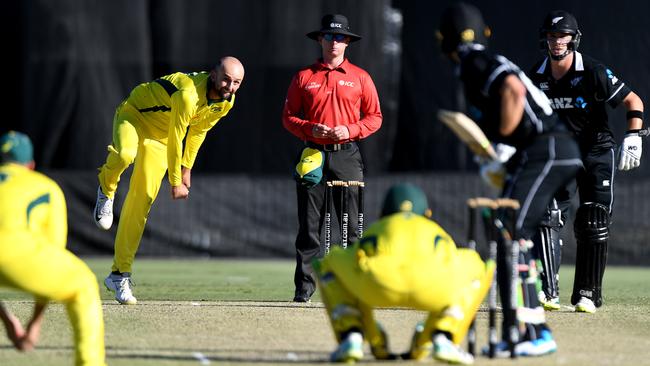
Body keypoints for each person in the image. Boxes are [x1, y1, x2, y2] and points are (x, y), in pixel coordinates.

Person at [437, 2, 583, 357]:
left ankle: (531, 332)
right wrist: (504, 154)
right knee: (512, 233)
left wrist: (501, 144)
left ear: (443, 40)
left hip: (547, 149)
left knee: (507, 229)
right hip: (544, 150)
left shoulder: (472, 61)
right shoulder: (480, 60)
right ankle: (528, 331)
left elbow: (514, 91)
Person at [93, 57, 245, 304]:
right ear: (214, 75)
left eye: (237, 82)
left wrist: (187, 170)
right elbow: (178, 136)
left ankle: (119, 274)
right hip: (134, 116)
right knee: (125, 154)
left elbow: (198, 131)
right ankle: (106, 187)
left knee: (141, 202)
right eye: (226, 79)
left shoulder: (226, 102)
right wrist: (175, 181)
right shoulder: (188, 94)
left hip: (159, 139)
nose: (230, 86)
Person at [529, 10, 645, 313]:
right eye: (552, 36)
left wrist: (635, 136)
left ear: (574, 39)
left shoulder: (591, 70)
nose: (557, 42)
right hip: (560, 154)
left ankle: (587, 293)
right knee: (547, 216)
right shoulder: (536, 76)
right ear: (545, 39)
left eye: (563, 36)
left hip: (596, 151)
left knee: (593, 219)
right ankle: (547, 291)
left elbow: (634, 101)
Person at [313, 183, 494, 364]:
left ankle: (352, 335)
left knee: (329, 262)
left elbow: (352, 258)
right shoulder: (435, 229)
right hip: (433, 287)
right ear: (427, 214)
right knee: (476, 266)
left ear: (383, 212)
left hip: (378, 284)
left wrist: (374, 337)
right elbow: (456, 261)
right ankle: (443, 335)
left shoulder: (378, 227)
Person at [282, 14, 382, 302]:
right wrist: (310, 127)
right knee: (309, 227)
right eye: (329, 37)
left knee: (351, 227)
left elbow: (375, 117)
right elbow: (288, 118)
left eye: (340, 37)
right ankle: (304, 290)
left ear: (347, 42)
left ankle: (354, 288)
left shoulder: (360, 77)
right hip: (313, 154)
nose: (334, 42)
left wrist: (349, 129)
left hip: (347, 154)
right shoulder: (304, 77)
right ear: (319, 40)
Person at [0, 131, 106, 365]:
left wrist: (8, 322)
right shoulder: (46, 187)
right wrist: (33, 324)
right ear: (31, 165)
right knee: (83, 285)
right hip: (17, 253)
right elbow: (54, 251)